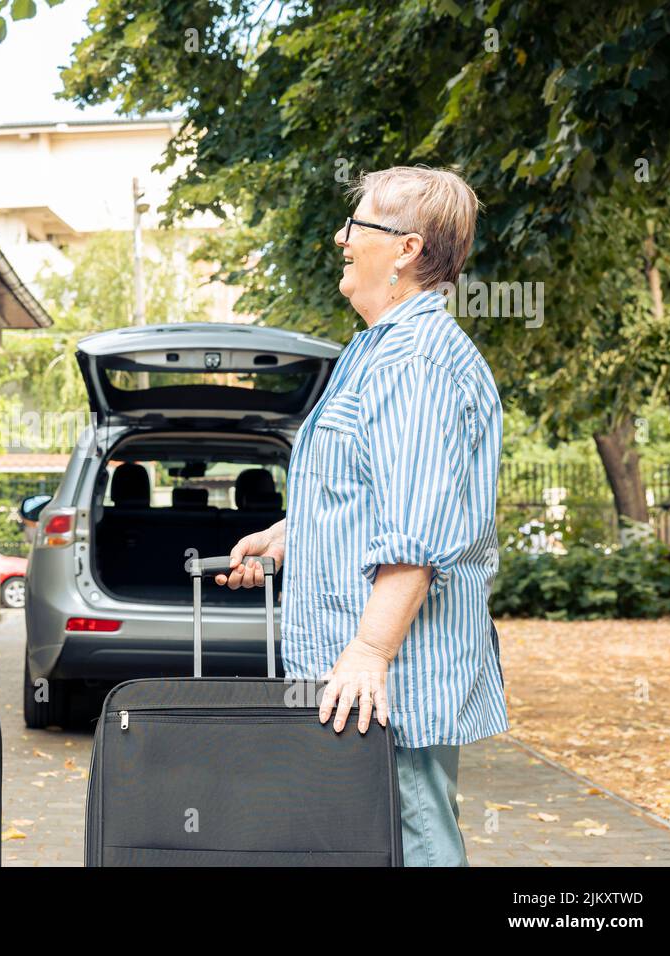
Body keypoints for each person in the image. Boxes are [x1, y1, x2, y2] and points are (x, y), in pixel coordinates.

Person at [217, 166, 507, 866]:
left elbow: (415, 531)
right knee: (377, 838)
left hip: (394, 680)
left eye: (359, 226)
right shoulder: (376, 350)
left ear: (405, 250)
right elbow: (374, 493)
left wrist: (370, 653)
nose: (341, 238)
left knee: (413, 840)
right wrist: (289, 538)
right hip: (371, 674)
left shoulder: (415, 360)